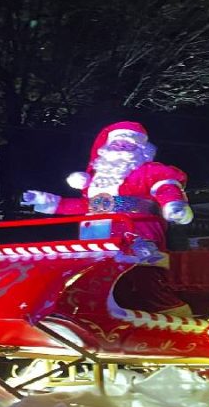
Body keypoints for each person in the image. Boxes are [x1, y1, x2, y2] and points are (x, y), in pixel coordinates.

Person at [21, 120, 194, 316]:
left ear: (140, 149)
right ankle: (103, 316)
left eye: (127, 144)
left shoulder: (149, 171)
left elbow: (166, 187)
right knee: (98, 279)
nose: (121, 147)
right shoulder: (95, 180)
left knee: (144, 277)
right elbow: (85, 206)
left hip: (136, 232)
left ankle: (175, 317)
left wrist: (173, 204)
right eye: (116, 143)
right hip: (96, 235)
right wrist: (48, 201)